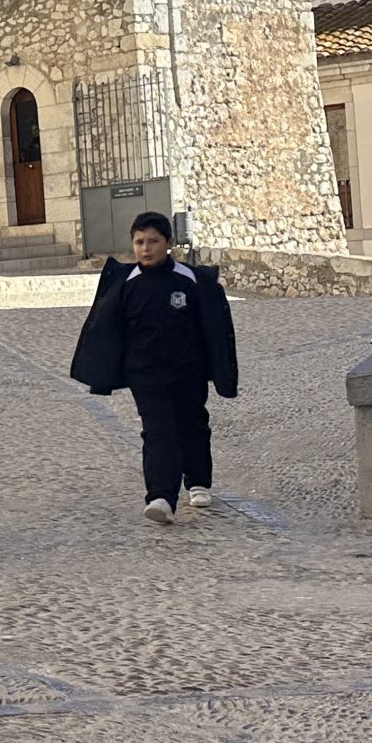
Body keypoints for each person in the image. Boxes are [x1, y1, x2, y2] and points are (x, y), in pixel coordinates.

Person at [70, 211, 239, 525]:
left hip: (188, 370)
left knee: (192, 424)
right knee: (158, 431)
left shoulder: (190, 280)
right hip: (145, 373)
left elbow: (212, 326)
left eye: (153, 241)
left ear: (168, 243)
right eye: (139, 242)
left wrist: (219, 368)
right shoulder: (125, 283)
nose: (145, 248)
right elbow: (109, 330)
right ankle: (161, 497)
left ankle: (198, 481)